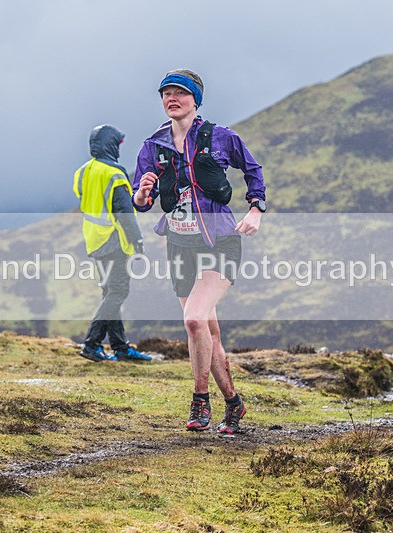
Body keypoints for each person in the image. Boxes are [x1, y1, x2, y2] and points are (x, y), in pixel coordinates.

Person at [132, 70, 267, 434]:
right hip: (179, 244)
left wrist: (256, 209)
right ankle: (235, 405)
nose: (171, 99)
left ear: (195, 100)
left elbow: (253, 171)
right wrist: (143, 193)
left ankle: (200, 400)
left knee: (193, 319)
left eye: (179, 93)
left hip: (220, 241)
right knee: (207, 330)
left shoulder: (221, 137)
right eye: (166, 94)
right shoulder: (153, 145)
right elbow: (140, 202)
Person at [74, 124, 152, 363]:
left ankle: (120, 347)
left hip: (94, 239)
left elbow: (80, 194)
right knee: (118, 291)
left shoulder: (84, 171)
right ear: (110, 145)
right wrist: (137, 240)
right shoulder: (115, 173)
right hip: (115, 241)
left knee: (110, 293)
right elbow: (124, 212)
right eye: (117, 144)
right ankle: (92, 344)